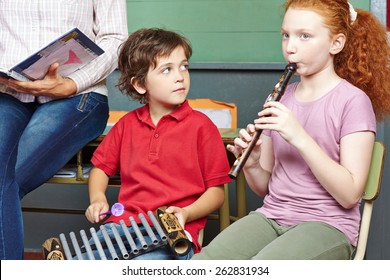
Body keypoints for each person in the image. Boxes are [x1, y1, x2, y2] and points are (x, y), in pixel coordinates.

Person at [192, 0, 390, 260]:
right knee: (202, 264)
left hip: (327, 226)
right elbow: (266, 188)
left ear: (336, 43)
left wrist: (299, 137)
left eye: (304, 36)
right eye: (286, 35)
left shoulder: (353, 101)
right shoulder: (280, 98)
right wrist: (251, 163)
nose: (291, 47)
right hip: (272, 216)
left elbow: (349, 194)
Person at [83, 28, 231, 260]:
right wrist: (98, 197)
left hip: (172, 232)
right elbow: (101, 168)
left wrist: (186, 213)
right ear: (140, 84)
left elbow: (217, 193)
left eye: (184, 66)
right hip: (120, 227)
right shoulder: (127, 125)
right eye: (167, 70)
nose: (180, 76)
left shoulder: (202, 127)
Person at [0, 1, 128, 260]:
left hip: (76, 93)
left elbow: (116, 39)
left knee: (4, 179)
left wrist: (72, 83)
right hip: (9, 91)